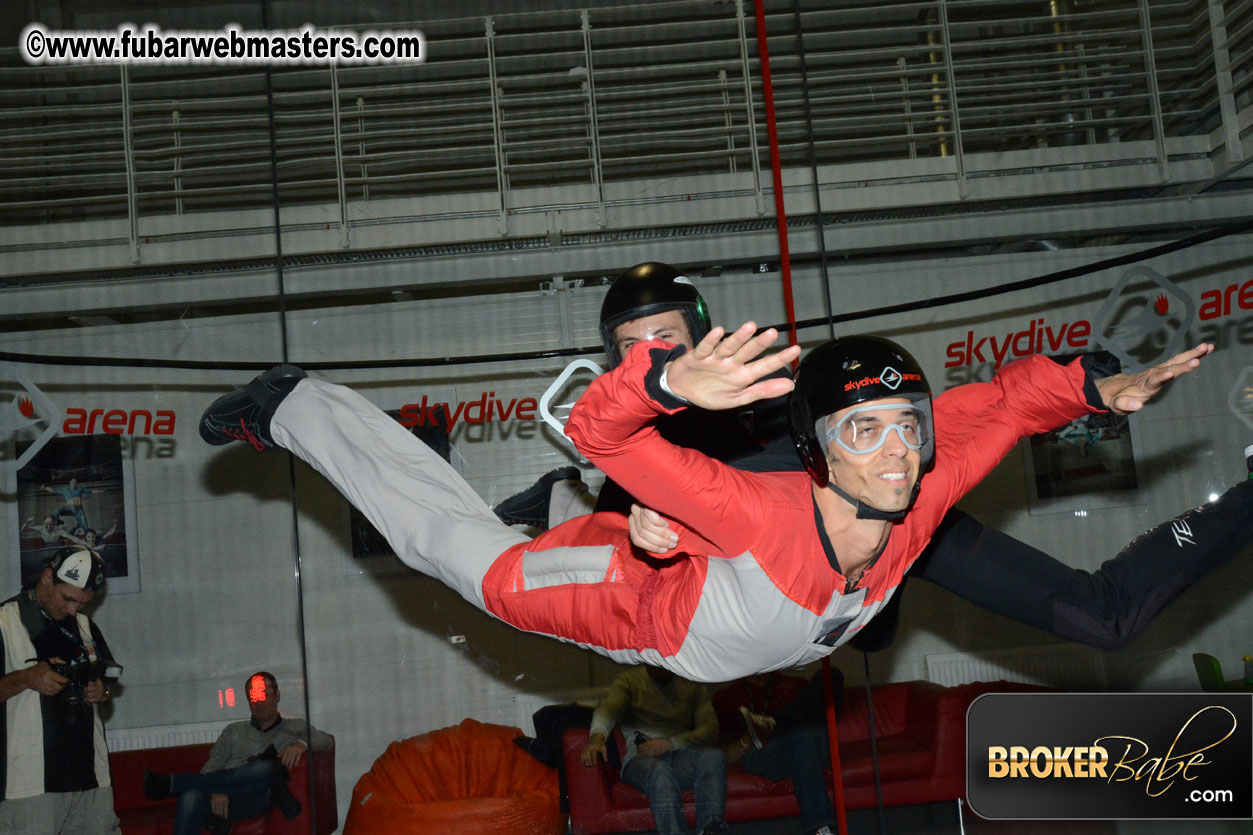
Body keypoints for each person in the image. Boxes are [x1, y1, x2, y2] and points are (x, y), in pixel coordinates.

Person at [198, 304, 1216, 681]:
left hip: (710, 585)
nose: (899, 455)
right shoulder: (758, 511)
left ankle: (596, 514)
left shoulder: (919, 488)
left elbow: (995, 405)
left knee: (647, 519)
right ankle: (294, 406)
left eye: (905, 429)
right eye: (864, 433)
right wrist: (660, 380)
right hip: (639, 609)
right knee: (463, 563)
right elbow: (603, 430)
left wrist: (1093, 386)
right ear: (815, 453)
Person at [514, 263, 1253, 654]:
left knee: (1102, 619)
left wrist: (1084, 387)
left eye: (668, 338)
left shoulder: (784, 395)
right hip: (806, 591)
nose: (654, 356)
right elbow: (615, 544)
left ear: (703, 333)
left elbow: (956, 412)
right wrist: (643, 538)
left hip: (901, 528)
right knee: (871, 636)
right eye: (634, 349)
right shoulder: (631, 458)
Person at [0, 548, 120, 835]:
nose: (72, 610)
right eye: (68, 598)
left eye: (83, 603)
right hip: (29, 784)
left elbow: (107, 690)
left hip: (91, 780)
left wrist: (101, 693)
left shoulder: (85, 625)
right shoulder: (5, 622)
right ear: (46, 577)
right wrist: (27, 678)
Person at [142, 671, 332, 835]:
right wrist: (217, 790)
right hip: (224, 797)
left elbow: (327, 740)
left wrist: (301, 744)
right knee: (190, 797)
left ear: (277, 696)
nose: (259, 702)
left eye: (264, 694)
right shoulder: (233, 731)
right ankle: (191, 794)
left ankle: (172, 783)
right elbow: (213, 764)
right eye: (253, 697)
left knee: (265, 767)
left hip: (256, 797)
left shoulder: (294, 727)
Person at [581, 666, 727, 835]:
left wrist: (669, 743)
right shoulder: (629, 681)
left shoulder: (690, 683)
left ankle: (711, 829)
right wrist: (597, 737)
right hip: (640, 760)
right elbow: (608, 710)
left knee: (713, 755)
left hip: (679, 756)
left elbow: (710, 728)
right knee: (660, 770)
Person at [714, 671, 839, 835]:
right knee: (802, 738)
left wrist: (778, 723)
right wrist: (747, 740)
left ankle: (778, 722)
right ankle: (821, 828)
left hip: (808, 746)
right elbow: (722, 753)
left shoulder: (795, 685)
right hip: (765, 754)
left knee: (832, 675)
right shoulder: (728, 697)